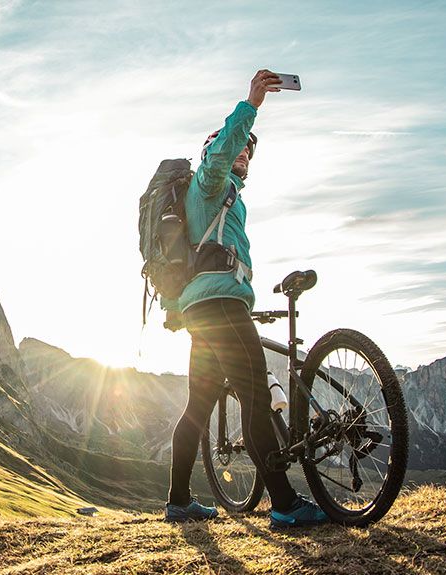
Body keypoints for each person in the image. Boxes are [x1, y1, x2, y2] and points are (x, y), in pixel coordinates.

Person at [162, 69, 329, 528]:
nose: (244, 156)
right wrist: (251, 104)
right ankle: (286, 504)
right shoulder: (209, 183)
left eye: (249, 154)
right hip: (220, 306)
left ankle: (178, 502)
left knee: (198, 406)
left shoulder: (223, 200)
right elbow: (218, 154)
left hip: (205, 309)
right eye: (240, 149)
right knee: (256, 397)